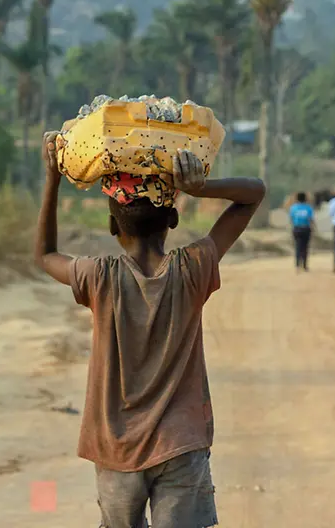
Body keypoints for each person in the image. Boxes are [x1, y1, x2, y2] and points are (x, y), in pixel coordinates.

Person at [35, 132, 265, 528]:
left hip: (116, 447)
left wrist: (52, 181)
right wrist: (197, 187)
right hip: (181, 443)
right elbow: (254, 193)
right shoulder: (193, 268)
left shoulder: (98, 277)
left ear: (112, 225)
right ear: (173, 219)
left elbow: (44, 255)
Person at [289, 191, 315, 271]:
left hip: (296, 228)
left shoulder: (293, 208)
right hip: (306, 229)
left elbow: (291, 219)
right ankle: (304, 265)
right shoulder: (308, 208)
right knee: (305, 247)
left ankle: (297, 265)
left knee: (297, 247)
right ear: (305, 199)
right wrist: (313, 228)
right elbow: (311, 219)